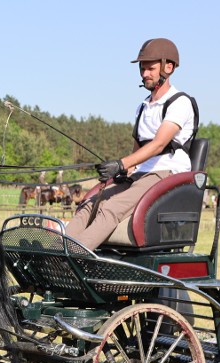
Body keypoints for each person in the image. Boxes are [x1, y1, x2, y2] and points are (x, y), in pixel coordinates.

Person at [66, 38, 197, 250]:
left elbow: (158, 144)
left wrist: (121, 163)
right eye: (142, 68)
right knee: (90, 203)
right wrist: (123, 171)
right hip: (142, 173)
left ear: (169, 67)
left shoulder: (180, 102)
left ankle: (73, 255)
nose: (145, 74)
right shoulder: (143, 107)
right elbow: (138, 151)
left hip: (167, 172)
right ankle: (55, 251)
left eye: (151, 68)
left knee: (111, 208)